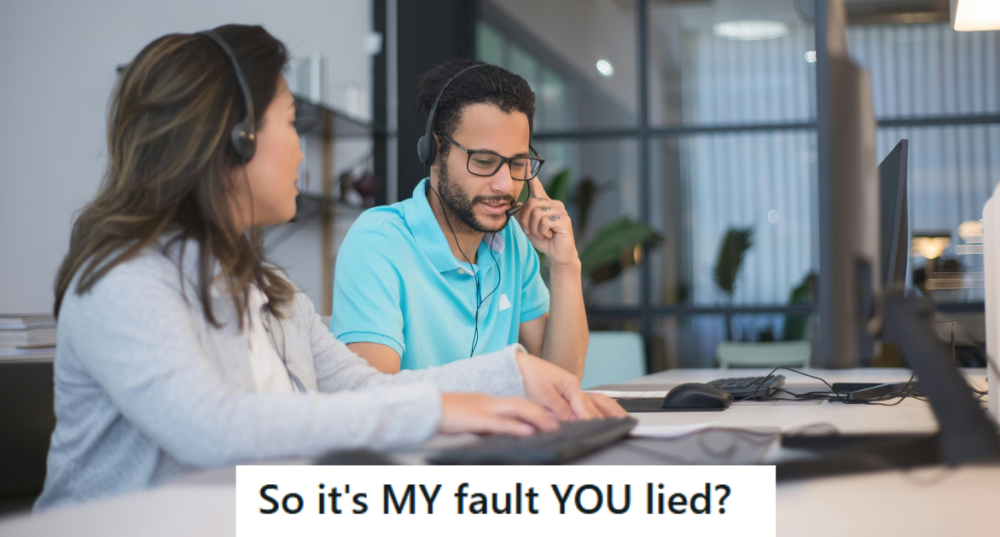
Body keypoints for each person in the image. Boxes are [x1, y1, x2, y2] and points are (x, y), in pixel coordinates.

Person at [37, 25, 622, 510]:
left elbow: (365, 390)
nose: (300, 149)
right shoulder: (124, 277)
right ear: (233, 141)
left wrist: (513, 378)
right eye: (289, 124)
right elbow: (212, 427)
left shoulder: (270, 294)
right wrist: (460, 400)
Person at [330, 59, 588, 376]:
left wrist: (566, 266)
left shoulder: (513, 243)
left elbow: (563, 379)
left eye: (518, 163)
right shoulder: (378, 243)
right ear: (434, 152)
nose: (506, 185)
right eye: (483, 161)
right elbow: (378, 403)